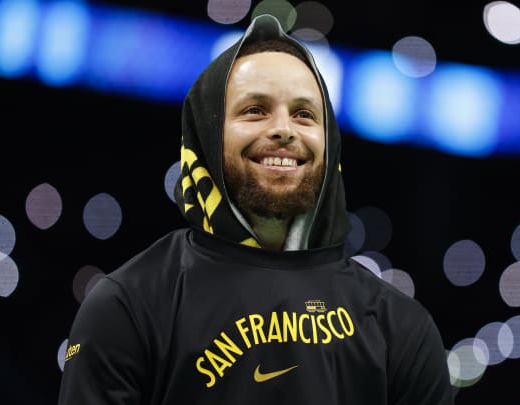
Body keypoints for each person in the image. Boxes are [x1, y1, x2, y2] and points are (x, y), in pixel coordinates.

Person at [57, 14, 454, 405]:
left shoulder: (402, 326)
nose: (284, 129)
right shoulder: (127, 305)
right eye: (255, 110)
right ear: (207, 135)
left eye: (304, 114)